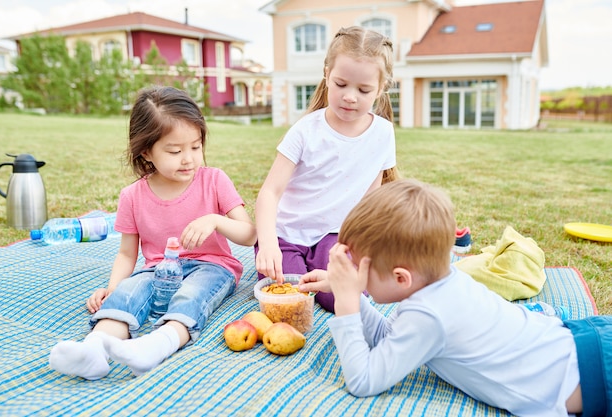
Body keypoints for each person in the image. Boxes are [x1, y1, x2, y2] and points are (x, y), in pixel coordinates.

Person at [298, 178, 612, 416]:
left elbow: (363, 380)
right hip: (585, 342)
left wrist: (348, 305)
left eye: (356, 268)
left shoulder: (428, 316)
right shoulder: (439, 284)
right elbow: (388, 338)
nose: (349, 275)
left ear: (400, 278)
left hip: (595, 373)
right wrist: (348, 292)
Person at [49, 86, 257, 380]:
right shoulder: (132, 196)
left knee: (191, 295)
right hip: (157, 269)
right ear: (146, 151)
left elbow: (249, 234)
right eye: (175, 151)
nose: (188, 159)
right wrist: (112, 288)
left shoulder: (214, 180)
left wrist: (215, 220)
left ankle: (156, 347)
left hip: (213, 266)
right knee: (127, 293)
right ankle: (93, 350)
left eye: (196, 147)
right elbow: (126, 253)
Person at [255, 26, 399, 313]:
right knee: (290, 300)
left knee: (342, 298)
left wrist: (360, 247)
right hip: (286, 235)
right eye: (341, 84)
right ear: (326, 74)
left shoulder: (383, 133)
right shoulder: (306, 130)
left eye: (364, 89)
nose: (350, 96)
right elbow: (270, 192)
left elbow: (370, 200)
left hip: (335, 238)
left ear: (381, 88)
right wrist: (269, 243)